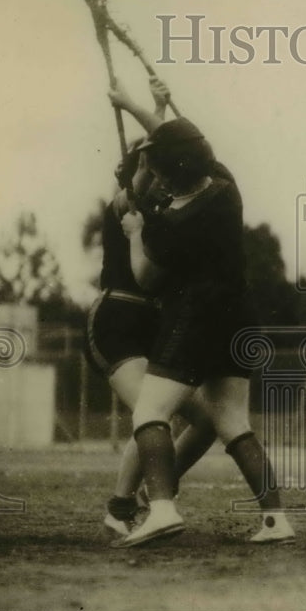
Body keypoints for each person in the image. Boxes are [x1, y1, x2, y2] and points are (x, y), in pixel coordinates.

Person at [106, 78, 294, 547]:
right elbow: (177, 142)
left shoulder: (167, 223)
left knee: (150, 411)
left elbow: (146, 277)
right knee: (232, 422)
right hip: (239, 316)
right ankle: (275, 518)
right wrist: (142, 106)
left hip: (194, 317)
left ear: (169, 174)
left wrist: (135, 233)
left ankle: (162, 509)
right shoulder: (226, 187)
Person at [85, 138, 219, 538]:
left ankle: (153, 485)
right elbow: (143, 171)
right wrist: (151, 139)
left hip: (154, 328)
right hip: (115, 323)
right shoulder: (125, 209)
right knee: (151, 412)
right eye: (156, 172)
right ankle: (121, 509)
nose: (163, 181)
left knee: (207, 420)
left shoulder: (168, 221)